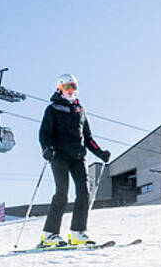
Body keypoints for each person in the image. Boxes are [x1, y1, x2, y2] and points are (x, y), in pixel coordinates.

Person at [38, 74, 110, 248]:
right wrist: (47, 149)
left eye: (74, 87)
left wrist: (100, 153)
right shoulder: (53, 109)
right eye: (67, 87)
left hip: (78, 156)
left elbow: (88, 137)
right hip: (59, 156)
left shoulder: (80, 110)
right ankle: (49, 235)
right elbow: (44, 134)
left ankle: (78, 232)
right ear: (60, 89)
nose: (71, 91)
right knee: (62, 192)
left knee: (84, 193)